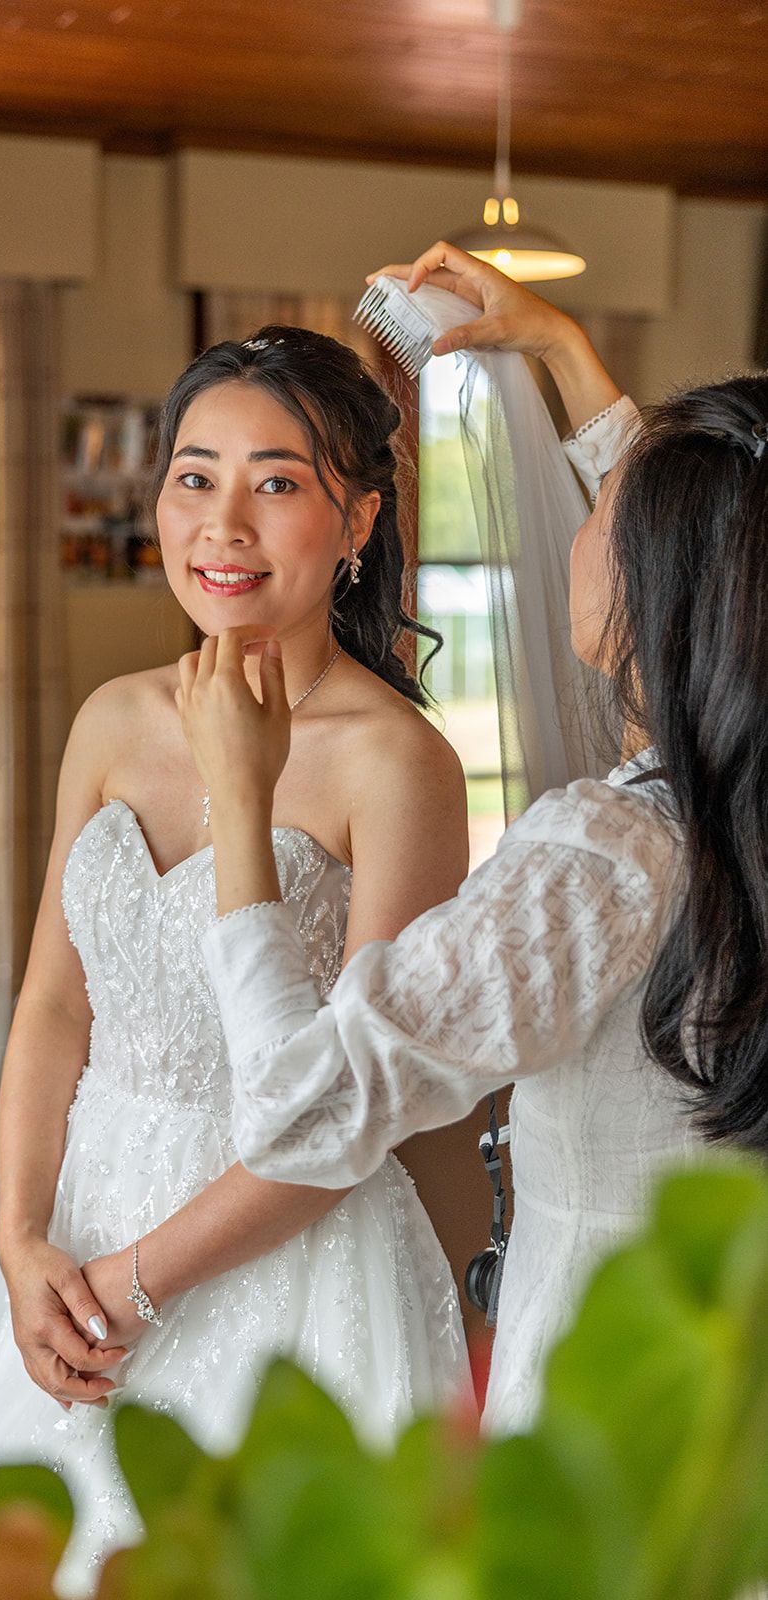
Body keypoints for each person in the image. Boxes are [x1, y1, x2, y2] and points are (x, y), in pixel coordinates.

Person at [0, 325, 474, 1595]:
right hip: (75, 1235)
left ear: (356, 517)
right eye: (195, 476)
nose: (223, 525)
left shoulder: (397, 766)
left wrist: (130, 1287)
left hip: (288, 1269)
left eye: (278, 482)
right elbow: (47, 1006)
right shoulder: (113, 718)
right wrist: (23, 1241)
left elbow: (348, 1125)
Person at [179, 240, 768, 1434]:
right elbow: (730, 540)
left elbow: (304, 1109)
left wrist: (238, 802)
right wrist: (558, 348)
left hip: (622, 1401)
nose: (574, 521)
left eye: (603, 506)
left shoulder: (607, 859)